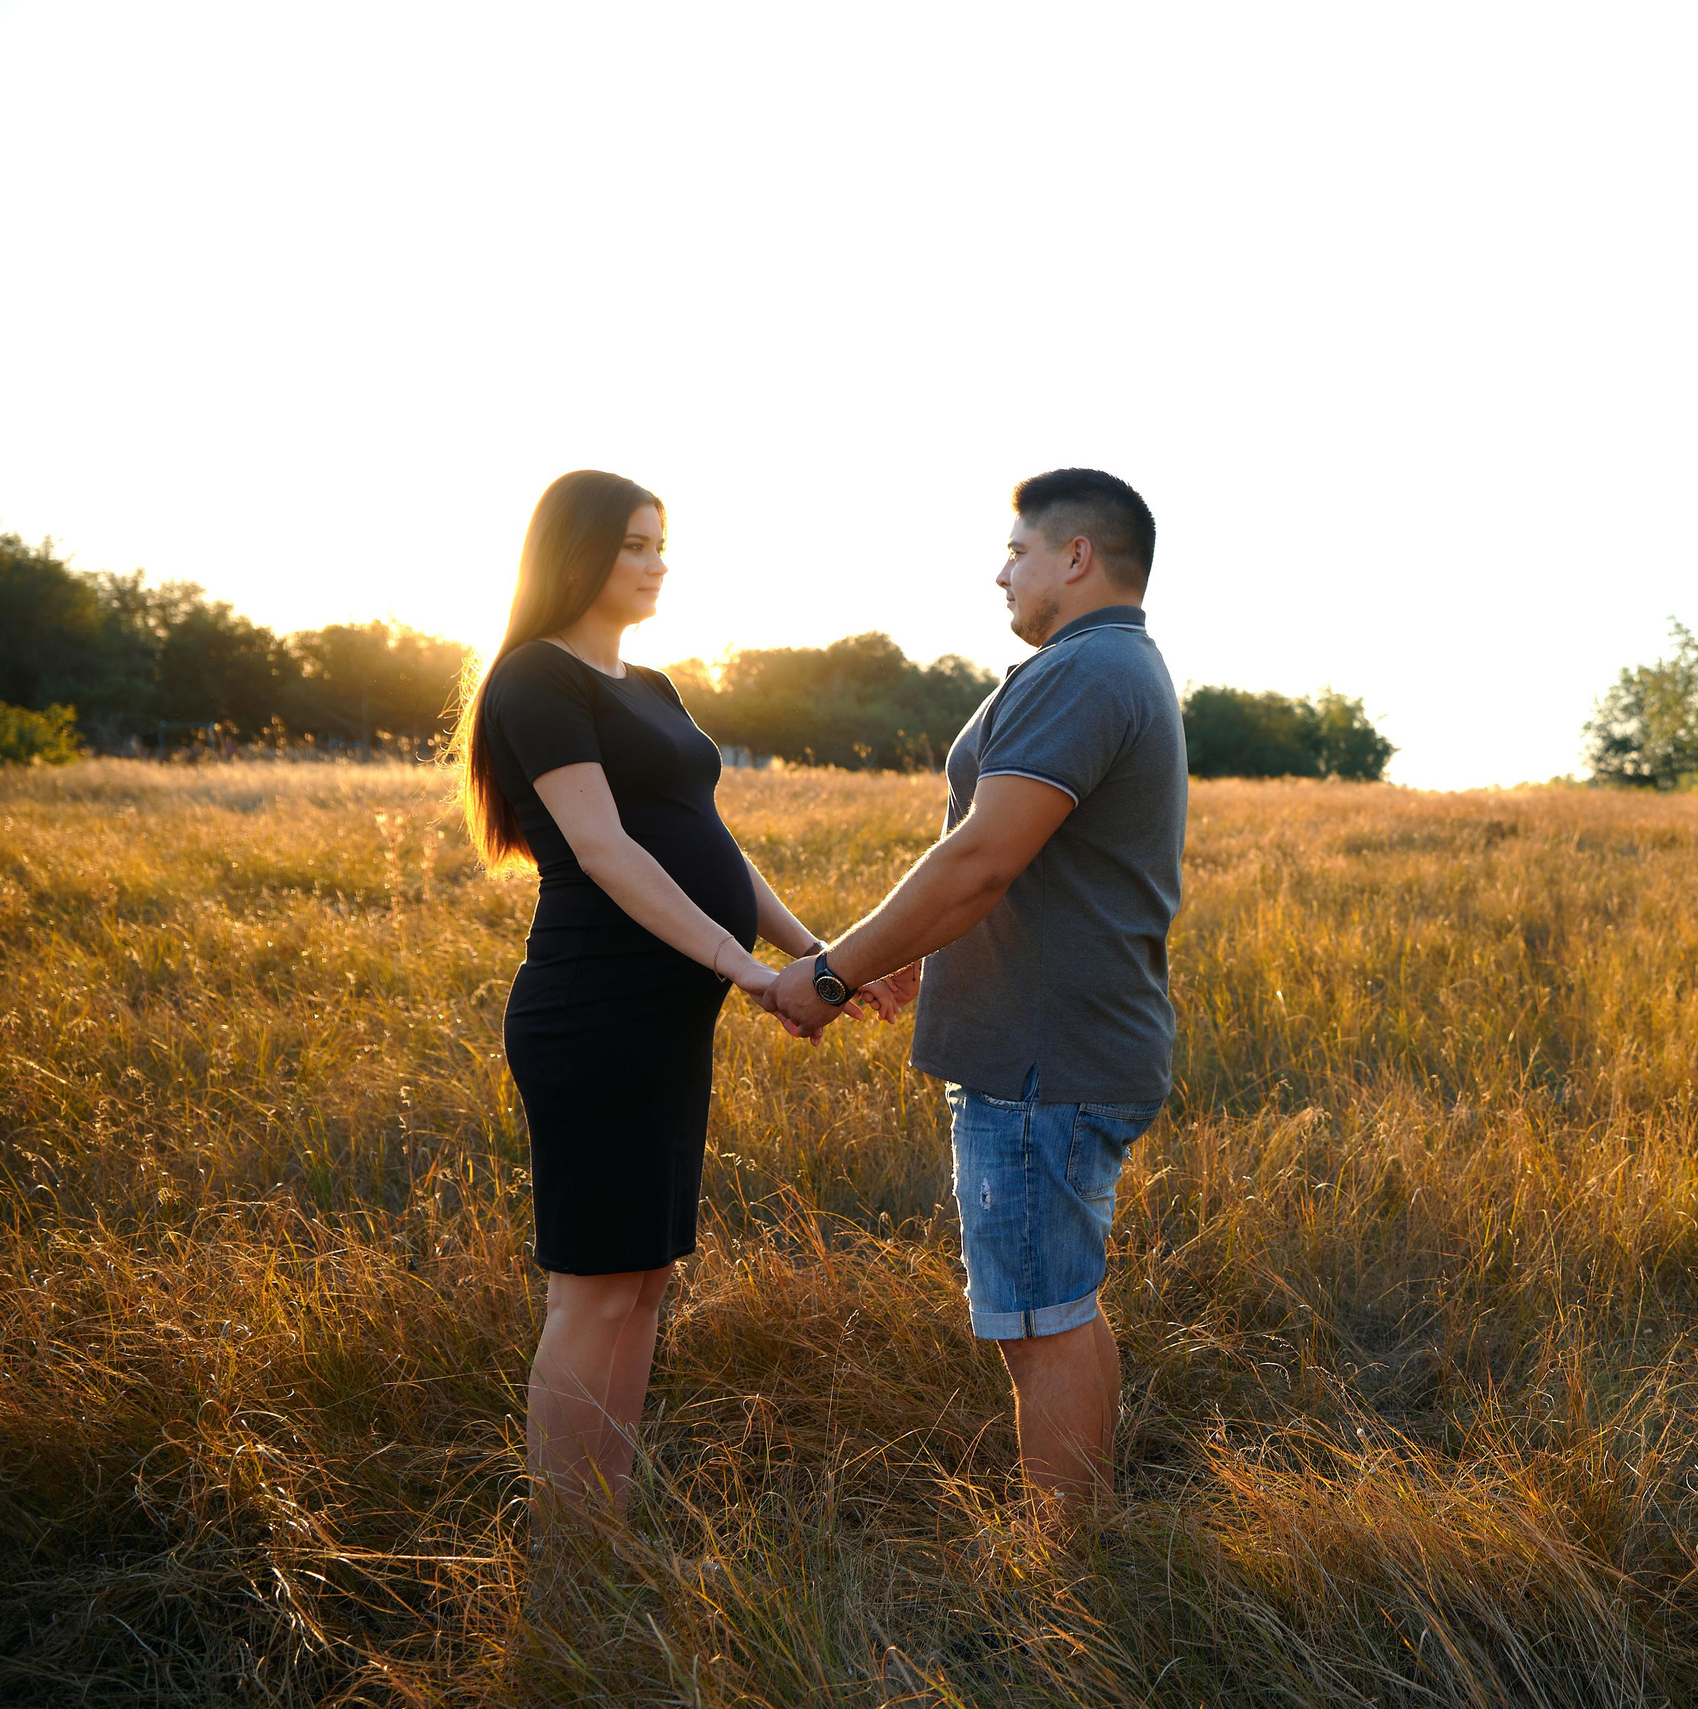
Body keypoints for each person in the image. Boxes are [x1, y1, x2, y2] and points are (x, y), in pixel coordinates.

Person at [454, 469, 902, 1528]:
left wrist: (815, 949)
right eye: (637, 546)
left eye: (663, 545)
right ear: (578, 554)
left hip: (663, 1022)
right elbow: (605, 850)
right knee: (593, 1288)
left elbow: (713, 846)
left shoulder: (652, 686)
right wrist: (741, 969)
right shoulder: (535, 679)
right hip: (594, 1012)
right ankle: (567, 1555)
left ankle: (601, 1519)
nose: (659, 564)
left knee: (645, 1278)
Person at [767, 467, 1184, 1522]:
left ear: (1076, 556)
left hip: (1043, 1060)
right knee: (1057, 1308)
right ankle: (1078, 1539)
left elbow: (982, 860)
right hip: (1054, 1047)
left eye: (1017, 549)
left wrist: (830, 972)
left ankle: (1067, 1569)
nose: (1000, 570)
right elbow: (992, 864)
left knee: (1040, 1319)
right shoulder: (1102, 665)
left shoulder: (1084, 670)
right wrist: (919, 950)